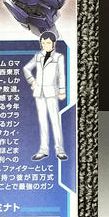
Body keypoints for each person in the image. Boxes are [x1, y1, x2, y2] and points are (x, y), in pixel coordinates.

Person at [23, 32, 67, 160]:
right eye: (43, 43)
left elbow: (61, 75)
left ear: (53, 43)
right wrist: (32, 81)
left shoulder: (58, 57)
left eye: (48, 43)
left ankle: (60, 150)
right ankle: (43, 150)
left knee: (55, 120)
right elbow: (26, 68)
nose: (45, 45)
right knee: (42, 121)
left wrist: (62, 90)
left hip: (52, 92)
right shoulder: (38, 56)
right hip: (39, 92)